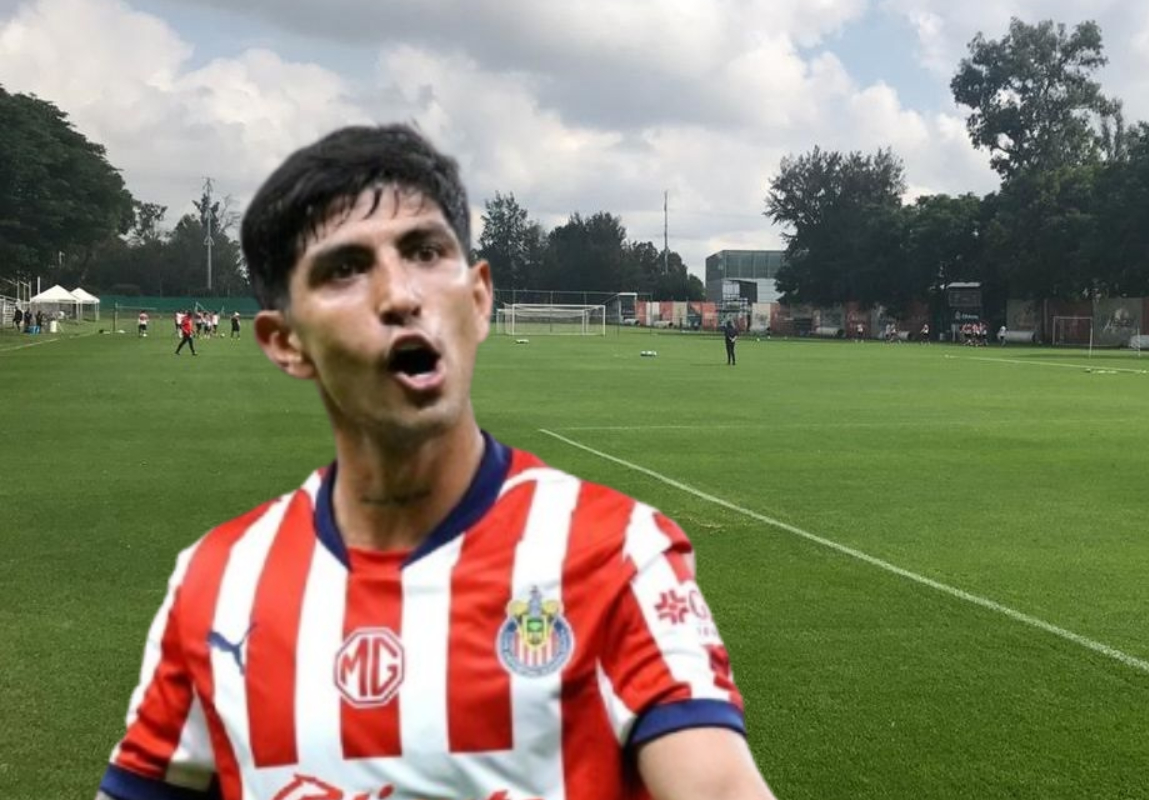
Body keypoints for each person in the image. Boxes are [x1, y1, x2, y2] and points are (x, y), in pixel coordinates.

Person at [96, 125, 774, 800]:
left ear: (478, 300)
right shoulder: (216, 586)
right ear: (285, 342)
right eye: (345, 268)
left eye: (424, 251)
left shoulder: (616, 554)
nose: (399, 295)